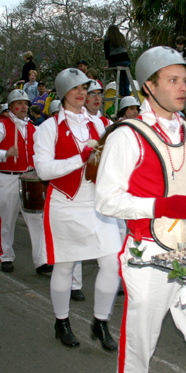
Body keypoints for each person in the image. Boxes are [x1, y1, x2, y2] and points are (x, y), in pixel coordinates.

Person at [94, 47, 186, 373]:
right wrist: (160, 205)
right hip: (148, 254)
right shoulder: (126, 135)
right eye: (172, 80)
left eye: (184, 80)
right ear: (148, 87)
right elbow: (106, 199)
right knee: (140, 350)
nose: (183, 87)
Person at [33, 68, 121, 351]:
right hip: (65, 203)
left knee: (112, 263)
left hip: (97, 202)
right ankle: (62, 321)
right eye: (75, 89)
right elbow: (43, 169)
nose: (82, 93)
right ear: (62, 93)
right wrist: (79, 157)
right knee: (66, 265)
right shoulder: (48, 128)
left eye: (84, 87)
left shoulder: (100, 124)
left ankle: (101, 322)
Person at [0, 89, 50, 275]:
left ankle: (41, 261)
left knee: (36, 220)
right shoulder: (1, 127)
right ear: (11, 107)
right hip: (8, 176)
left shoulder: (34, 128)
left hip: (29, 177)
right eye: (19, 103)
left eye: (26, 104)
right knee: (7, 219)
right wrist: (4, 154)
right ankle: (7, 256)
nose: (24, 107)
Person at [104, 25, 132, 96]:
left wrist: (107, 65)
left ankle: (121, 91)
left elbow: (107, 53)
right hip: (125, 59)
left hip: (114, 60)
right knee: (124, 74)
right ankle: (127, 91)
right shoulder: (121, 37)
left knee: (119, 75)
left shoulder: (107, 39)